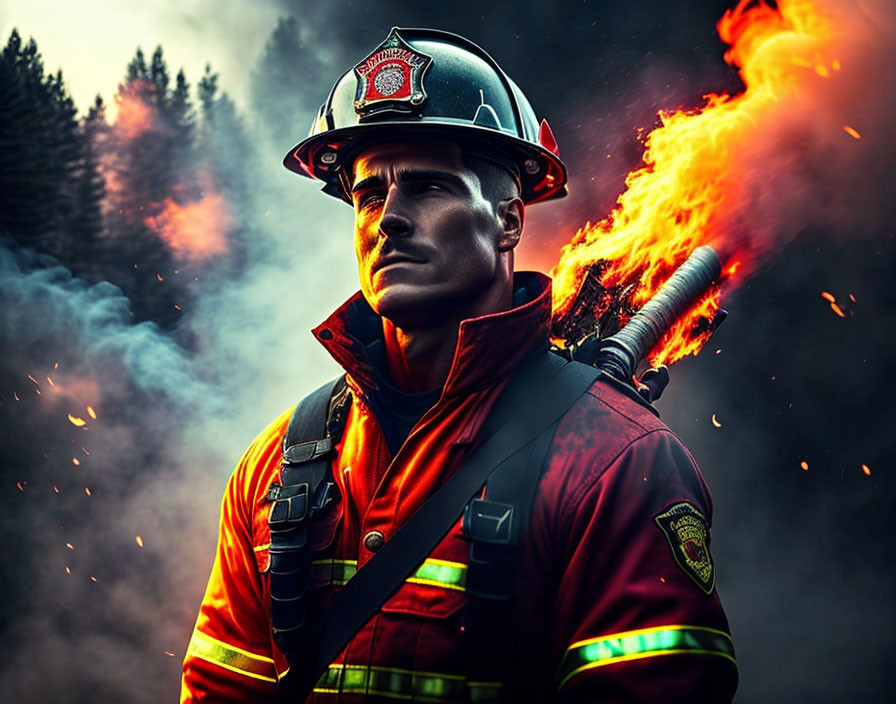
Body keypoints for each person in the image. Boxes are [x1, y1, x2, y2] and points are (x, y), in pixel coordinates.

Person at [181, 28, 738, 703]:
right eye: (367, 194)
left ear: (508, 221)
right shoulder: (276, 465)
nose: (387, 219)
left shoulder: (622, 465)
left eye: (428, 188)